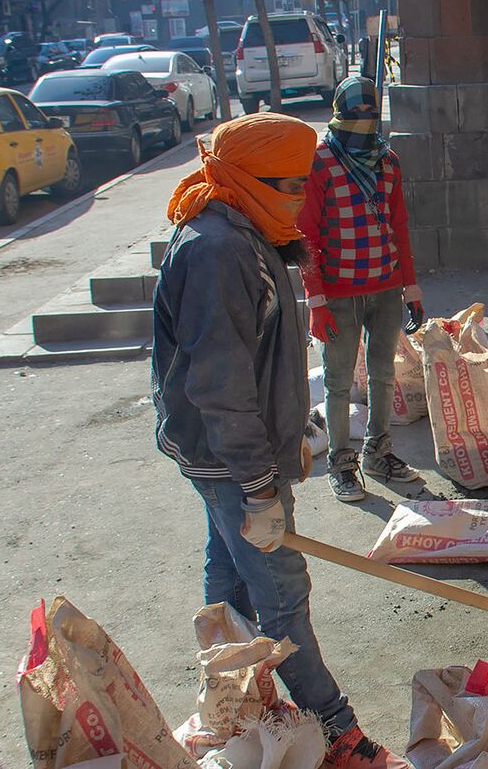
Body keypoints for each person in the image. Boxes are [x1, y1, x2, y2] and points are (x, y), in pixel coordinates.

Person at [152, 113, 406, 769]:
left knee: (230, 573)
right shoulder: (219, 249)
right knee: (281, 590)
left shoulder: (252, 228)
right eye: (291, 187)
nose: (301, 200)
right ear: (252, 177)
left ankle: (231, 699)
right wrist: (258, 484)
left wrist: (284, 438)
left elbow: (259, 357)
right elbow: (219, 384)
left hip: (236, 452)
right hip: (228, 457)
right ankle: (339, 730)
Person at [298, 76, 423, 502]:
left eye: (371, 117)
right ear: (338, 115)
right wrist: (316, 300)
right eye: (356, 118)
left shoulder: (388, 161)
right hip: (337, 294)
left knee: (383, 374)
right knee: (337, 382)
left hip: (385, 288)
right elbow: (306, 237)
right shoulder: (318, 163)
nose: (364, 126)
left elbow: (399, 227)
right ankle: (341, 462)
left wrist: (411, 288)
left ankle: (379, 452)